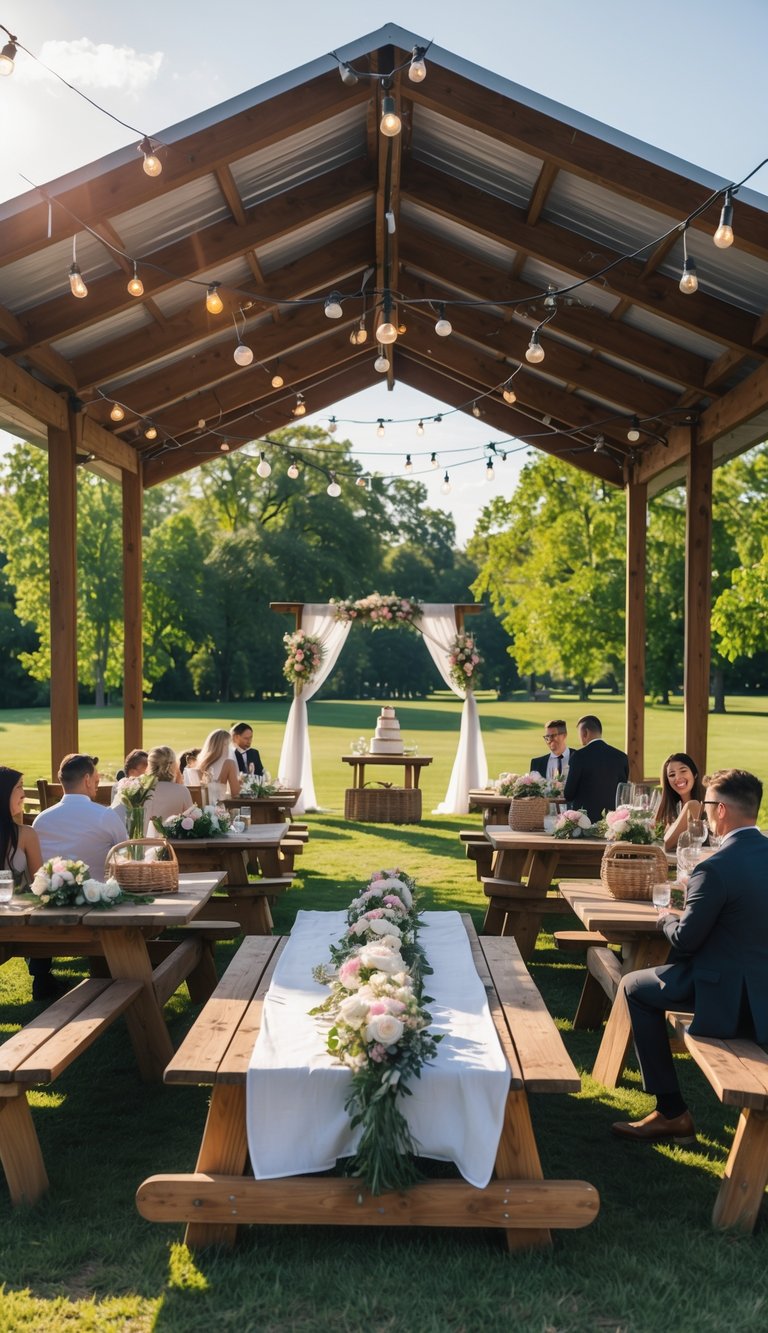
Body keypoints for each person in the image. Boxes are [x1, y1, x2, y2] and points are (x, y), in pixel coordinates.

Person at [612, 769, 768, 1145]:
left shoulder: (713, 869)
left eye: (708, 805)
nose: (704, 813)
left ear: (723, 811)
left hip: (731, 997)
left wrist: (666, 918)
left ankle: (671, 1111)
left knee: (634, 985)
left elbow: (685, 941)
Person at [34, 755, 128, 881]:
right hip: (98, 896)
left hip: (52, 897)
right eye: (96, 780)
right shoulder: (105, 816)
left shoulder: (41, 821)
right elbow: (127, 855)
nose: (98, 781)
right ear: (87, 779)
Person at [562, 715, 629, 823]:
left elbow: (569, 794)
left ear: (585, 733)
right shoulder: (621, 757)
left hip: (583, 823)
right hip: (612, 823)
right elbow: (623, 792)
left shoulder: (579, 756)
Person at [658, 752, 704, 851]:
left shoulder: (695, 806)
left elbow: (664, 846)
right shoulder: (669, 809)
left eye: (683, 771)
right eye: (672, 774)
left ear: (694, 774)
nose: (678, 778)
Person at [143, 746, 192, 833]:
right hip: (173, 844)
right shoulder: (182, 791)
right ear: (174, 766)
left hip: (142, 843)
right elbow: (192, 822)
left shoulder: (140, 791)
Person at [197, 730, 241, 802]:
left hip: (201, 810)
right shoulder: (229, 764)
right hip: (219, 810)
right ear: (225, 745)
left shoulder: (201, 764)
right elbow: (236, 795)